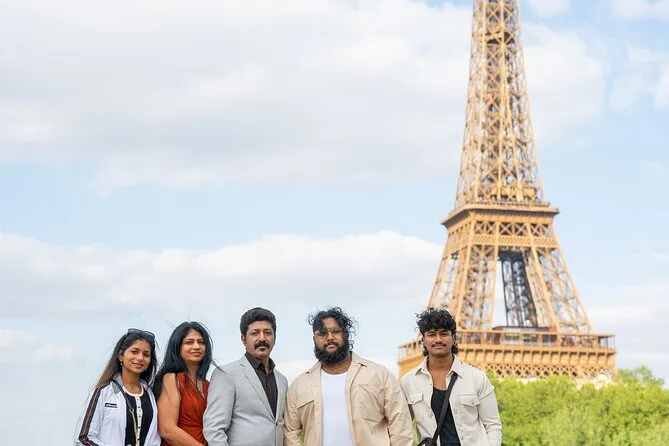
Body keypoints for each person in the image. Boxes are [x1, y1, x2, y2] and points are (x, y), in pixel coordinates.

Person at [283, 306, 413, 446]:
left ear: (346, 334)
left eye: (335, 331)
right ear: (314, 339)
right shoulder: (299, 385)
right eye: (322, 333)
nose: (330, 337)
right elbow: (290, 433)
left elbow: (401, 424)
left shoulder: (379, 375)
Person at [400, 308, 502, 446]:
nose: (438, 339)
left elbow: (493, 425)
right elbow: (400, 428)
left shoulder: (477, 378)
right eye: (432, 334)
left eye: (444, 334)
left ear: (453, 338)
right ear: (423, 340)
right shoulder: (408, 382)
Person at [203, 307, 288, 446]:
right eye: (255, 333)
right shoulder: (226, 374)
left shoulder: (282, 380)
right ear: (243, 339)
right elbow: (214, 428)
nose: (262, 338)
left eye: (268, 333)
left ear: (274, 338)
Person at [74, 328, 161, 446]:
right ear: (121, 356)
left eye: (146, 354)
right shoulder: (103, 392)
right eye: (134, 352)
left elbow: (155, 440)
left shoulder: (151, 395)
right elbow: (83, 438)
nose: (140, 358)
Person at [155, 321, 214, 445]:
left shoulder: (209, 385)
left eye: (201, 342)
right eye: (189, 342)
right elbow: (167, 429)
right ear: (177, 347)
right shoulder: (172, 379)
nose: (197, 346)